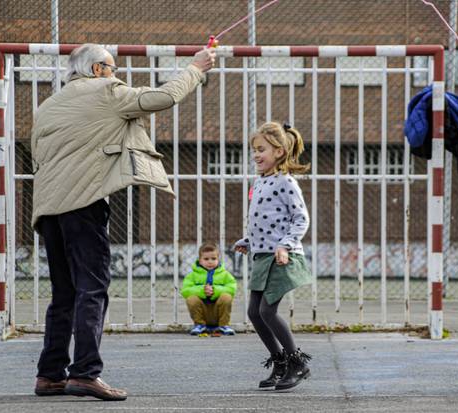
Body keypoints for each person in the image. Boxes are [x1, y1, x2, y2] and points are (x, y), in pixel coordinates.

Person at [31, 43, 215, 401]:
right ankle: (85, 373)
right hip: (83, 204)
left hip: (48, 210)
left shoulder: (48, 106)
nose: (116, 75)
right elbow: (162, 97)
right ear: (98, 69)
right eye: (112, 68)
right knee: (92, 289)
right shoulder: (106, 91)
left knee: (63, 294)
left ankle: (50, 375)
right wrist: (195, 68)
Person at [234, 122, 312, 391]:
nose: (256, 155)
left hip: (281, 256)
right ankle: (279, 362)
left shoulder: (286, 182)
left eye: (261, 149)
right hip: (262, 255)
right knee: (254, 313)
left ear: (279, 152)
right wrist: (249, 241)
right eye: (254, 150)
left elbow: (300, 219)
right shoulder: (260, 181)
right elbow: (266, 220)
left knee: (268, 310)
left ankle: (297, 363)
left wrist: (285, 245)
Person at [181, 242, 237, 336]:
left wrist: (215, 290)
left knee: (226, 297)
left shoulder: (225, 274)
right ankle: (199, 325)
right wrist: (202, 290)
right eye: (206, 259)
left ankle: (224, 325)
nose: (210, 261)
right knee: (191, 299)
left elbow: (232, 288)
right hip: (202, 311)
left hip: (218, 311)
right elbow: (185, 290)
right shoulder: (193, 275)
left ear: (218, 259)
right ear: (200, 260)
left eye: (213, 258)